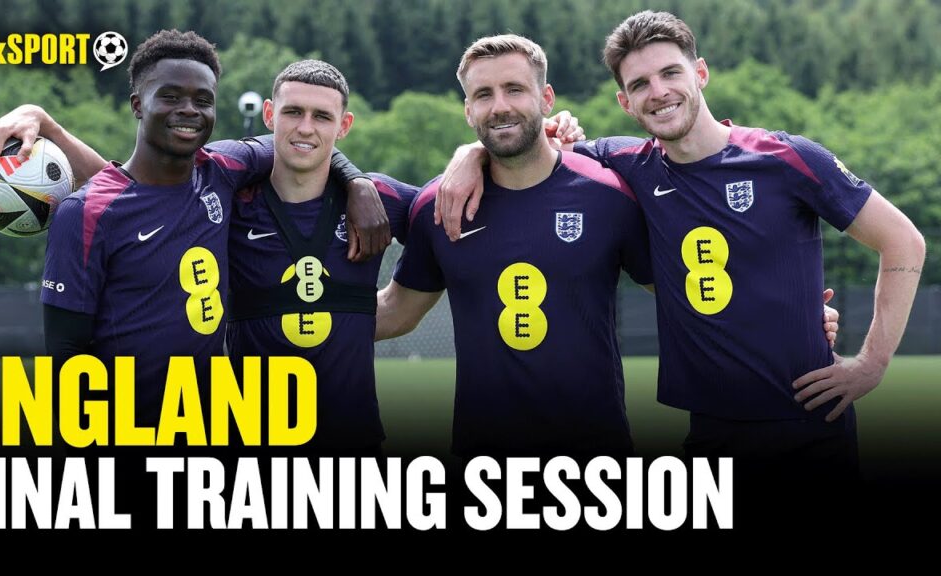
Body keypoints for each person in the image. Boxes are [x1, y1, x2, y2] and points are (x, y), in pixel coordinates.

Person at [435, 13, 924, 485]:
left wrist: (871, 364)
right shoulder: (626, 167)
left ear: (700, 73)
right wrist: (469, 154)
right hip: (709, 439)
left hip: (810, 428)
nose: (659, 92)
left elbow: (903, 241)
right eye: (640, 84)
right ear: (625, 102)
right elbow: (522, 147)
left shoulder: (784, 157)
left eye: (670, 73)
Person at [0, 30, 391, 427]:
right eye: (170, 96)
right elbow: (65, 356)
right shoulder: (84, 212)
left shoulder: (222, 169)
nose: (189, 109)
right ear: (138, 104)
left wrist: (356, 181)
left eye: (203, 100)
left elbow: (299, 142)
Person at [375, 35, 654, 458]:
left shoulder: (608, 193)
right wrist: (286, 319)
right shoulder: (440, 205)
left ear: (546, 98)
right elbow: (396, 312)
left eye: (514, 89)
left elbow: (676, 294)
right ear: (468, 111)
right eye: (483, 95)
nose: (500, 106)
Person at [225, 60, 418, 454]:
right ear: (269, 115)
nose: (306, 128)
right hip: (250, 446)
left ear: (344, 126)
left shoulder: (381, 199)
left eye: (322, 116)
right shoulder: (230, 201)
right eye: (293, 112)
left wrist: (474, 157)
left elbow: (455, 212)